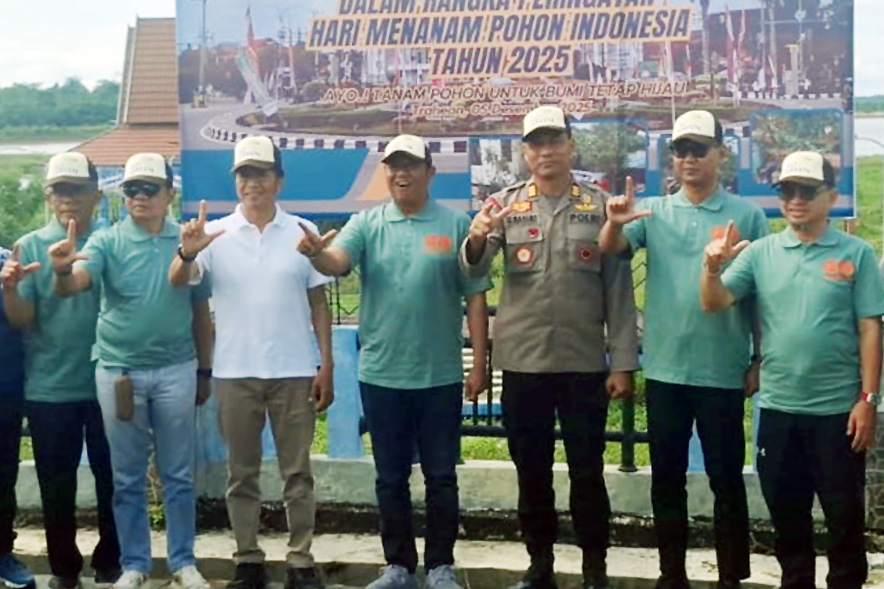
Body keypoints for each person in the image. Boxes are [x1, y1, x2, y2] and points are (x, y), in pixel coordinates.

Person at [298, 134, 491, 589]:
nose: (402, 174)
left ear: (430, 172)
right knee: (390, 478)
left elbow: (476, 296)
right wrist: (318, 254)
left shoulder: (456, 223)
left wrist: (479, 363)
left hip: (440, 375)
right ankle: (398, 566)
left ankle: (440, 566)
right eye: (393, 166)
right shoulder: (367, 223)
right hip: (382, 375)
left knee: (442, 476)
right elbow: (338, 262)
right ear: (385, 174)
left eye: (411, 165)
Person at [460, 105, 639, 589]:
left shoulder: (598, 207)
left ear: (570, 146)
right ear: (524, 153)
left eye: (554, 141)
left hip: (583, 364)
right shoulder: (505, 206)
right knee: (532, 473)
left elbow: (618, 291)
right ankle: (539, 565)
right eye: (536, 143)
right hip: (524, 364)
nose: (546, 151)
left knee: (588, 473)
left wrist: (622, 363)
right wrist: (476, 238)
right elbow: (474, 267)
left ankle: (595, 568)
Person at [599, 110, 769, 589]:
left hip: (723, 369)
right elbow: (611, 248)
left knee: (726, 480)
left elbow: (760, 296)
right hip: (666, 370)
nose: (689, 158)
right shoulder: (653, 211)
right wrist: (613, 223)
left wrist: (759, 358)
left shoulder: (747, 216)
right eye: (680, 150)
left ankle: (731, 576)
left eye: (699, 149)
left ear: (721, 153)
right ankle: (671, 574)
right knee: (667, 479)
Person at [700, 151, 882, 589]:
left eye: (806, 191)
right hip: (779, 409)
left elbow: (870, 328)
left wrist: (868, 400)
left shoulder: (856, 253)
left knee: (844, 518)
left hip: (837, 413)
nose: (795, 200)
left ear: (830, 196)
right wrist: (711, 268)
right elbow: (714, 301)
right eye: (786, 191)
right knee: (788, 520)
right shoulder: (761, 253)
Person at [168, 136, 333, 589]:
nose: (252, 182)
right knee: (241, 474)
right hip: (234, 372)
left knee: (297, 473)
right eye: (244, 174)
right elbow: (179, 280)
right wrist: (187, 251)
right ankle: (247, 559)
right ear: (235, 181)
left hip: (294, 369)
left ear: (279, 180)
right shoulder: (216, 234)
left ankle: (300, 560)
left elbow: (319, 303)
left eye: (261, 173)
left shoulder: (301, 230)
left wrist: (326, 364)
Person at [49, 153, 214, 589]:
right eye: (131, 189)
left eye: (149, 188)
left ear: (169, 194)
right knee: (126, 477)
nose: (140, 196)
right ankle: (135, 563)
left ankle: (183, 562)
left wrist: (205, 371)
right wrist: (63, 271)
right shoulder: (107, 241)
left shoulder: (188, 239)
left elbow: (200, 310)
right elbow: (77, 283)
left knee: (179, 474)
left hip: (176, 369)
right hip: (119, 371)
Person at [1, 153, 120, 589]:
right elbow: (22, 320)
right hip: (49, 385)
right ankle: (64, 568)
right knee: (56, 484)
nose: (68, 199)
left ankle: (112, 560)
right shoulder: (29, 245)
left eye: (77, 189)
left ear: (96, 194)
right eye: (59, 190)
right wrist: (10, 290)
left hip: (109, 382)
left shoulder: (113, 243)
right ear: (48, 196)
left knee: (114, 480)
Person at [0, 247, 34, 589]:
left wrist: (10, 287)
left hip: (4, 390)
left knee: (2, 478)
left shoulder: (8, 262)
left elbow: (24, 320)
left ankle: (2, 555)